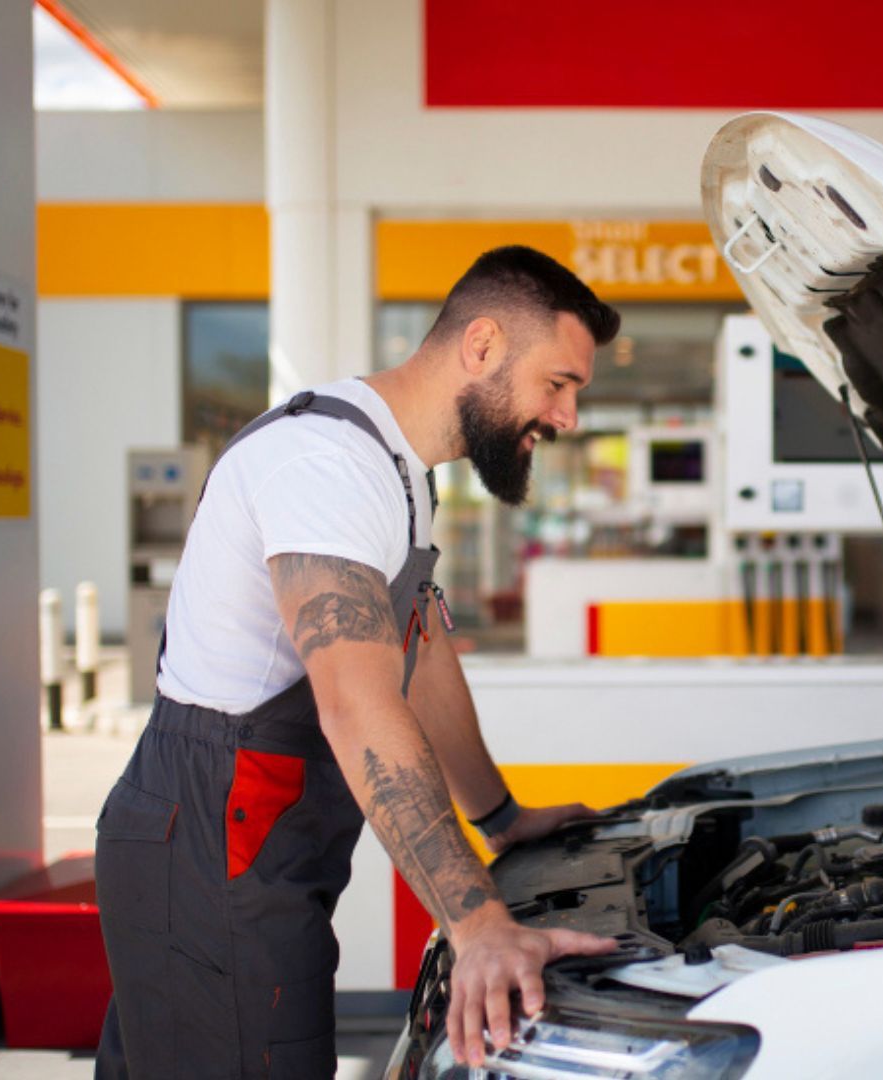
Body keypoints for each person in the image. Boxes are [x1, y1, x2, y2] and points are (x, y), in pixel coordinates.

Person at [94, 246, 623, 1078]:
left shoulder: (399, 470)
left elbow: (420, 650)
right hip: (210, 833)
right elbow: (358, 703)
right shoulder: (327, 467)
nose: (566, 418)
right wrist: (477, 923)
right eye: (558, 384)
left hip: (248, 839)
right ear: (481, 346)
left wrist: (500, 818)